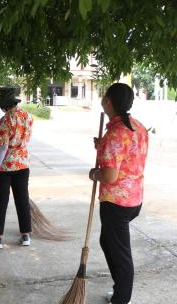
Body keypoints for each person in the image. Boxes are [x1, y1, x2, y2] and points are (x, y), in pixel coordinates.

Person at [89, 83, 148, 304]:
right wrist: (102, 146)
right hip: (134, 199)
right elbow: (127, 155)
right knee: (108, 242)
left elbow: (110, 176)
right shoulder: (137, 127)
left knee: (120, 254)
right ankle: (121, 290)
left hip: (117, 203)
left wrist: (95, 174)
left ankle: (122, 299)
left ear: (108, 101)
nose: (103, 99)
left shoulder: (115, 133)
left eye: (105, 96)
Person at [0, 87, 33, 249]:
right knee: (22, 200)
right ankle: (25, 236)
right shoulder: (28, 117)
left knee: (1, 202)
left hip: (5, 168)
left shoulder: (5, 121)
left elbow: (3, 148)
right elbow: (26, 141)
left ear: (5, 105)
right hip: (23, 165)